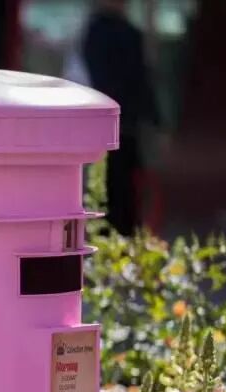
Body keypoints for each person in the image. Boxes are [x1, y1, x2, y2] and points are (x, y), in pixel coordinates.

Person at [82, 0, 161, 236]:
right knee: (109, 193)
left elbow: (142, 81)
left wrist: (154, 120)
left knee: (127, 194)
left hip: (125, 128)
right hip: (109, 127)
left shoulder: (125, 32)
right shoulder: (100, 33)